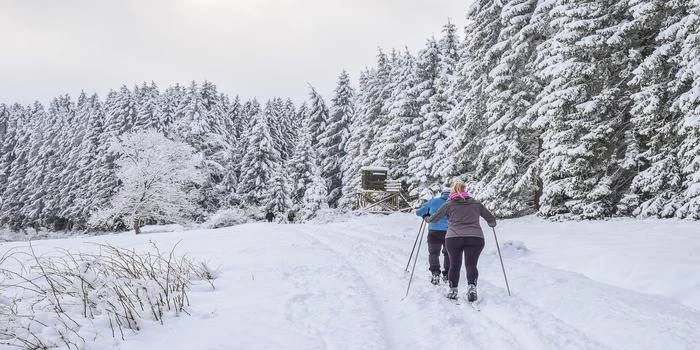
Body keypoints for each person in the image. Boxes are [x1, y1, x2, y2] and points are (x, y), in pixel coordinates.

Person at [425, 180, 496, 302]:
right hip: (475, 238)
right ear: (465, 190)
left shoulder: (449, 204)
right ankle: (472, 287)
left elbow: (434, 219)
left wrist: (426, 217)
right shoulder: (476, 203)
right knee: (471, 264)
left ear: (452, 191)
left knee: (454, 265)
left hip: (454, 238)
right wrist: (491, 223)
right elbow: (491, 219)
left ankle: (453, 290)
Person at [415, 186, 451, 285]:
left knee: (434, 253)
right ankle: (447, 274)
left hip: (434, 231)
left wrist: (426, 215)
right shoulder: (455, 203)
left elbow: (418, 212)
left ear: (442, 193)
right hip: (450, 232)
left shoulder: (434, 201)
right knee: (448, 253)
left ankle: (435, 273)